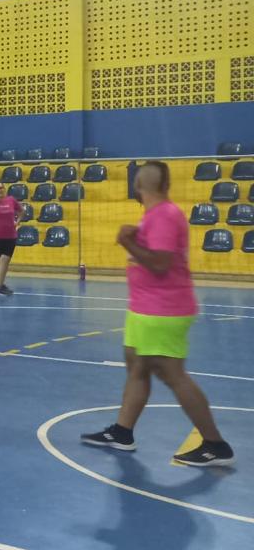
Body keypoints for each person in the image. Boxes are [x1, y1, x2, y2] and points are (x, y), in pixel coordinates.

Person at [81, 162, 235, 467]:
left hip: (163, 309)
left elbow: (161, 264)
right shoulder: (155, 215)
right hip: (145, 307)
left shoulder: (164, 215)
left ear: (138, 186)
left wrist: (127, 241)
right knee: (136, 366)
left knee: (172, 374)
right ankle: (123, 432)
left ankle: (215, 444)